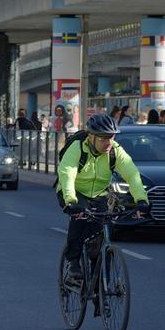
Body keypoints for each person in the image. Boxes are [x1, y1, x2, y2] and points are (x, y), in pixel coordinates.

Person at [56, 114, 149, 283]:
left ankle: (100, 291)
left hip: (99, 193)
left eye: (111, 137)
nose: (108, 142)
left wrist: (141, 200)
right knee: (79, 219)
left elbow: (132, 174)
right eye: (103, 138)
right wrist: (71, 201)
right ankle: (73, 264)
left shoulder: (115, 151)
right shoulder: (77, 148)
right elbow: (67, 173)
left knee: (99, 235)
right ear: (91, 136)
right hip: (73, 192)